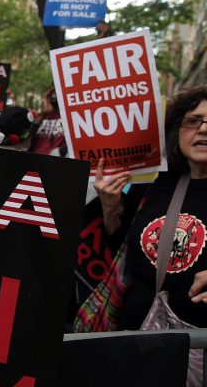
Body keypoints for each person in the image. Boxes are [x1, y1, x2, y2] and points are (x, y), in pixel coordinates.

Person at [94, 85, 207, 330]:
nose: (204, 129)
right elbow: (121, 251)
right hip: (131, 336)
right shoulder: (150, 183)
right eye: (193, 121)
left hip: (194, 352)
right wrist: (110, 208)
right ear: (177, 130)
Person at [28, 85, 66, 155]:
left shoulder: (68, 117)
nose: (54, 95)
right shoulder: (41, 115)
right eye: (52, 92)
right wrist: (43, 114)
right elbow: (28, 139)